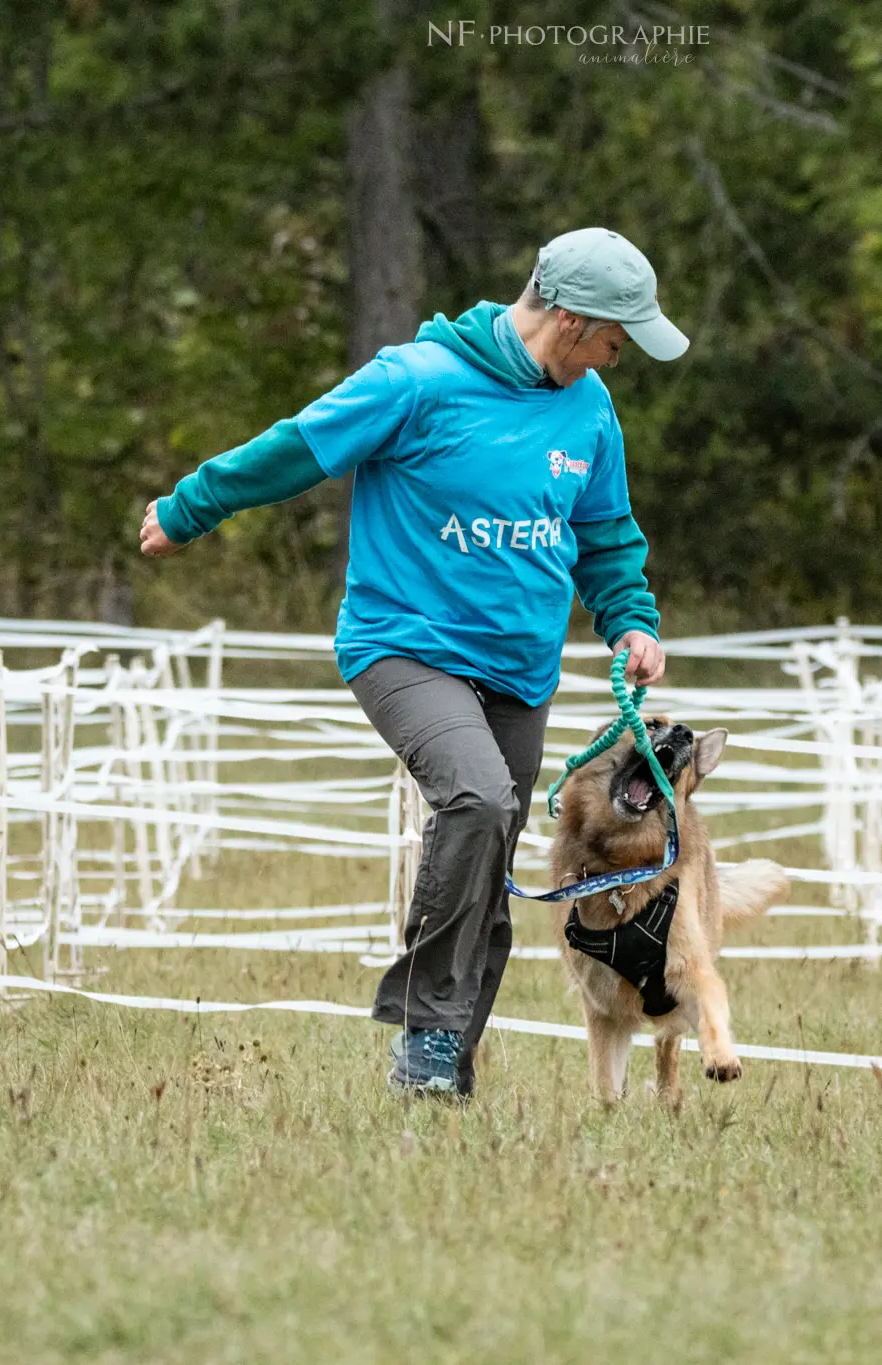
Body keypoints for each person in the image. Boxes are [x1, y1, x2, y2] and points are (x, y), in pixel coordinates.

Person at [138, 226, 686, 1098]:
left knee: (490, 854)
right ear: (575, 320)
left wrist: (630, 619)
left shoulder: (587, 409)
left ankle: (444, 1070)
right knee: (475, 797)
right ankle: (425, 1032)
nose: (622, 358)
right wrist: (194, 505)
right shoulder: (419, 380)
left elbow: (604, 532)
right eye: (619, 339)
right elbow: (298, 447)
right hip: (404, 645)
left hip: (518, 666)